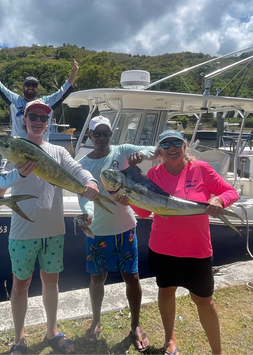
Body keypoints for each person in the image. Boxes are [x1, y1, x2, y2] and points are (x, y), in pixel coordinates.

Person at [0, 100, 100, 355]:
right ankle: (19, 338)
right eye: (33, 116)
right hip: (22, 231)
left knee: (51, 282)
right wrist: (18, 175)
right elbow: (1, 182)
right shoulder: (13, 148)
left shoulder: (58, 151)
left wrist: (91, 181)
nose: (37, 121)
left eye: (43, 117)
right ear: (25, 119)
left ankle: (52, 330)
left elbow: (77, 169)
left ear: (48, 121)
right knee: (20, 285)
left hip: (54, 230)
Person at [130, 130, 238, 355]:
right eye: (166, 143)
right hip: (162, 248)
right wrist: (128, 199)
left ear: (184, 146)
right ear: (159, 150)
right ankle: (170, 340)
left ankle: (217, 352)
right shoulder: (153, 174)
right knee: (166, 291)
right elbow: (143, 211)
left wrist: (219, 199)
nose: (172, 147)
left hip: (196, 250)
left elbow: (230, 192)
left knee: (204, 301)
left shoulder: (201, 169)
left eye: (176, 143)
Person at [75, 116, 157, 352]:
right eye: (97, 133)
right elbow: (84, 196)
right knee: (96, 279)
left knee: (131, 277)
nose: (101, 138)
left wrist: (141, 155)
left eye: (106, 133)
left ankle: (135, 324)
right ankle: (96, 320)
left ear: (112, 134)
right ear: (90, 135)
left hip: (125, 228)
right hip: (97, 232)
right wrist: (88, 213)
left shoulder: (122, 151)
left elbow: (152, 150)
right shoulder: (81, 165)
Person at [0, 54, 78, 196]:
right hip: (14, 149)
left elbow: (64, 91)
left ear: (38, 89)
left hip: (39, 151)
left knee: (42, 181)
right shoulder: (15, 100)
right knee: (3, 180)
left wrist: (75, 71)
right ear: (23, 88)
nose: (30, 87)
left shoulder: (46, 102)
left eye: (34, 85)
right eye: (28, 85)